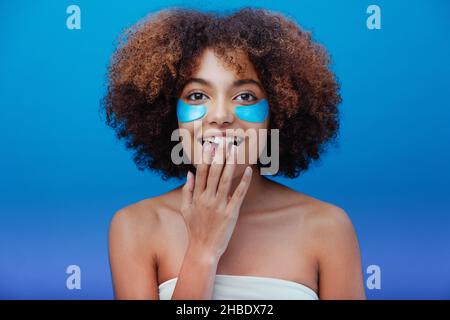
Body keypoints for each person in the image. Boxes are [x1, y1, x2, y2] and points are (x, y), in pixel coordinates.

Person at [104, 7, 365, 300]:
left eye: (245, 96)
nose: (220, 115)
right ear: (167, 113)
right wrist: (203, 249)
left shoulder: (327, 227)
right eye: (197, 95)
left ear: (278, 112)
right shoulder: (136, 226)